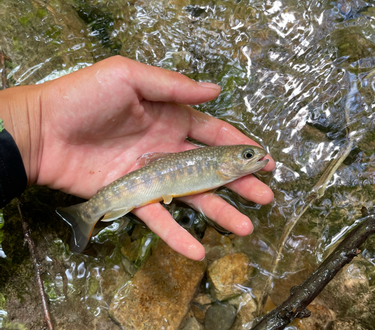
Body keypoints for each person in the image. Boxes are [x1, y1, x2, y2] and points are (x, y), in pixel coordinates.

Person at [0, 56, 275, 260]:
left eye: (248, 155)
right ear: (226, 160)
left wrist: (35, 127)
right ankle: (86, 213)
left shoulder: (221, 167)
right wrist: (35, 123)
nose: (256, 157)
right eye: (248, 155)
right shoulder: (217, 168)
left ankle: (86, 213)